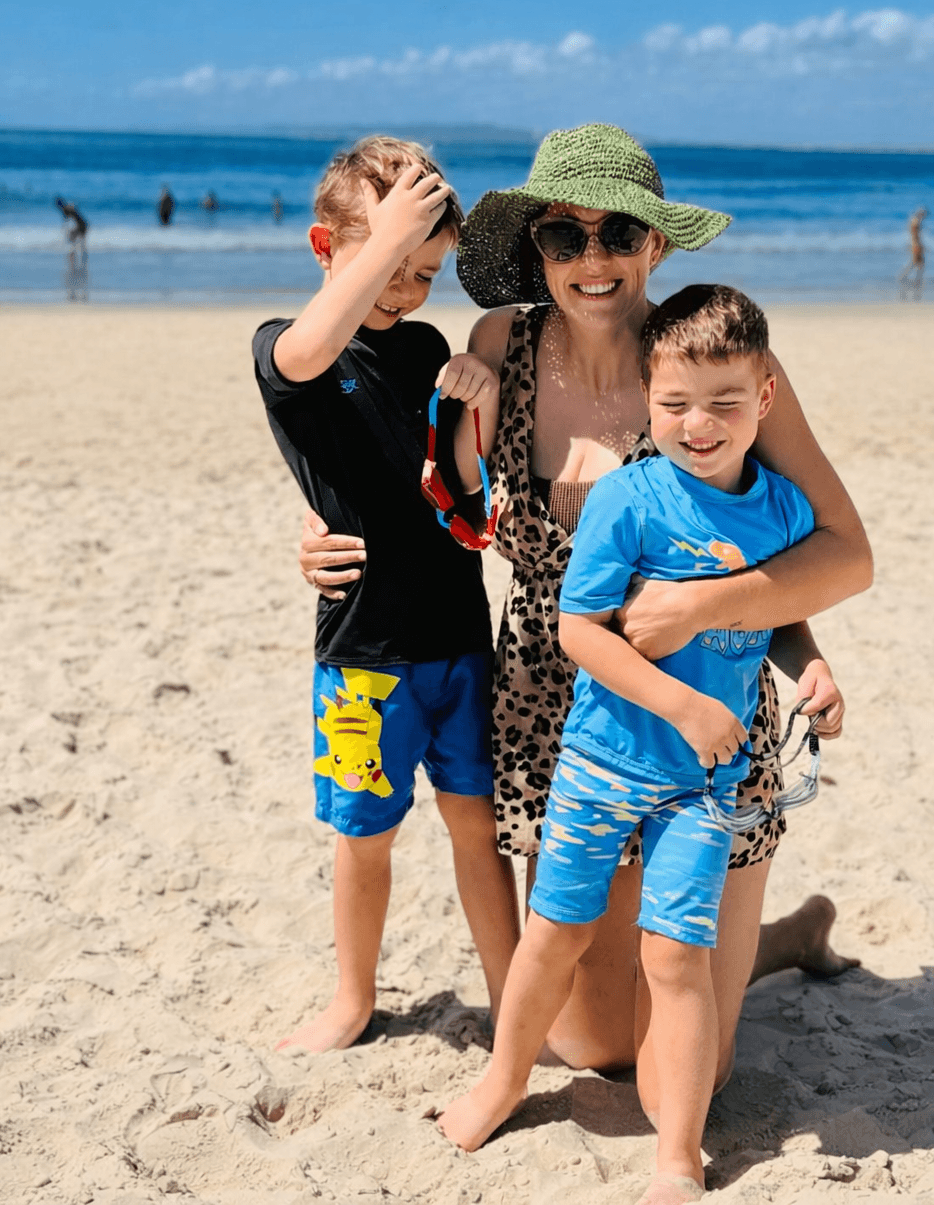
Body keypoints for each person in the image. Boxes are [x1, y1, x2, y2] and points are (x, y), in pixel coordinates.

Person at [298, 125, 870, 1084]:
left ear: (657, 243)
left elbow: (840, 551)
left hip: (698, 715)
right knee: (593, 1046)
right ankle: (778, 937)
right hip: (552, 713)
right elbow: (409, 476)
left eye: (618, 235)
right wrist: (319, 532)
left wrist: (718, 613)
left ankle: (756, 943)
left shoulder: (713, 366)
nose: (592, 260)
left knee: (695, 1065)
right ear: (537, 253)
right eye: (565, 239)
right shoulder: (496, 347)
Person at [437, 285, 846, 1204]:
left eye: (725, 405)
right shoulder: (627, 497)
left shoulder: (780, 510)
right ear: (645, 402)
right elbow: (583, 631)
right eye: (674, 406)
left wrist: (811, 665)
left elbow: (786, 611)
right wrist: (686, 705)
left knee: (677, 955)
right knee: (556, 937)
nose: (699, 425)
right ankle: (502, 1081)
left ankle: (677, 1154)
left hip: (705, 788)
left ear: (765, 399)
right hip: (596, 765)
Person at [252, 136, 520, 1054]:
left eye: (424, 272)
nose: (404, 291)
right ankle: (352, 997)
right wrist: (371, 259)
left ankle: (509, 996)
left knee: (476, 829)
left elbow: (455, 483)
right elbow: (309, 349)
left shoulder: (425, 347)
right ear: (330, 250)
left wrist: (474, 398)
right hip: (363, 655)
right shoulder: (291, 351)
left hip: (458, 638)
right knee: (365, 837)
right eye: (387, 265)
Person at [899, 207, 926, 300]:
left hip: (916, 245)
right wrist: (916, 246)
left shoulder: (914, 221)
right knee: (916, 265)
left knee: (918, 265)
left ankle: (915, 284)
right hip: (916, 246)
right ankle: (905, 279)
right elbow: (915, 236)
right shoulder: (915, 222)